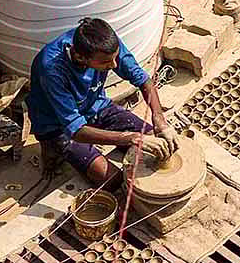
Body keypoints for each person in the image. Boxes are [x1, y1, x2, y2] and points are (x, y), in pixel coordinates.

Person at [27, 18, 179, 186]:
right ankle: (51, 151)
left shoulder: (106, 44)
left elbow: (143, 80)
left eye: (115, 58)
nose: (114, 65)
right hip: (56, 124)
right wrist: (131, 138)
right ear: (80, 57)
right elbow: (76, 130)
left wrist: (159, 119)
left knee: (156, 144)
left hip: (96, 106)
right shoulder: (51, 69)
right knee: (113, 180)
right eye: (106, 62)